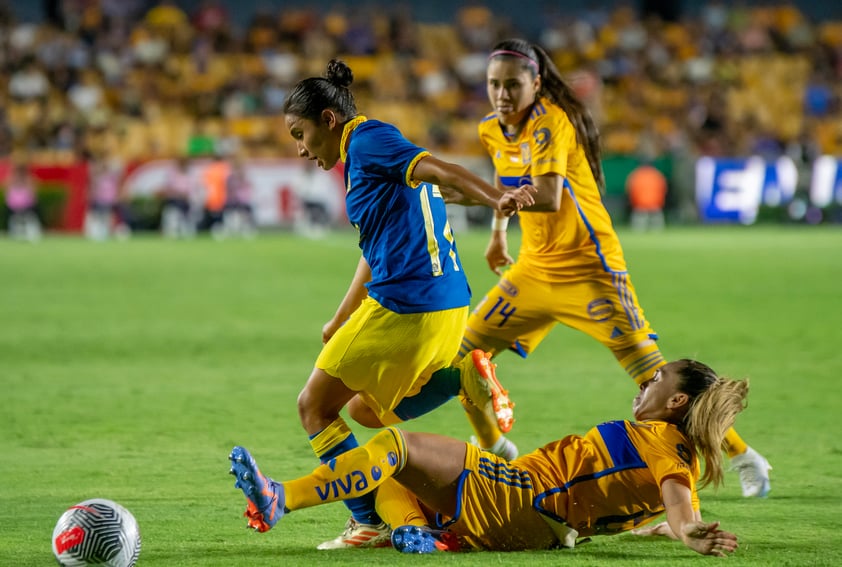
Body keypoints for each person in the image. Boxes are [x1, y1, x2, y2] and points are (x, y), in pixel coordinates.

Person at [440, 38, 771, 498]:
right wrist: (498, 235)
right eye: (494, 84)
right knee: (463, 359)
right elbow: (505, 182)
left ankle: (743, 455)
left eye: (513, 85)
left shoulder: (551, 123)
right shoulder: (491, 129)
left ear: (536, 84)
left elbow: (549, 195)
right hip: (533, 270)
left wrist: (479, 196)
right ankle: (496, 445)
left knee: (655, 379)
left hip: (591, 271)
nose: (502, 94)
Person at [232, 59, 535, 551]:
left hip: (406, 305)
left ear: (329, 119)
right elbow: (380, 244)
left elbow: (445, 170)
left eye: (300, 133)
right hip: (446, 304)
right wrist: (341, 316)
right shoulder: (368, 157)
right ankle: (461, 377)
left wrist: (497, 197)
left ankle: (367, 521)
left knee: (314, 406)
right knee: (366, 412)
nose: (301, 149)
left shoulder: (370, 141)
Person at [229, 359, 745, 557]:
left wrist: (688, 528)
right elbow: (664, 506)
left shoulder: (664, 444)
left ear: (676, 403)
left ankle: (281, 499)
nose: (646, 382)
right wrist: (670, 529)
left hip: (518, 495)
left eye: (657, 380)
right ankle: (417, 532)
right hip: (535, 531)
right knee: (394, 478)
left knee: (392, 447)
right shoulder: (676, 459)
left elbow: (679, 502)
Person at [626, 162, 668, 231]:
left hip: (640, 206)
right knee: (657, 230)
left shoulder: (636, 175)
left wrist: (634, 203)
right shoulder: (657, 175)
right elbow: (663, 190)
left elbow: (631, 191)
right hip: (655, 206)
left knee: (638, 231)